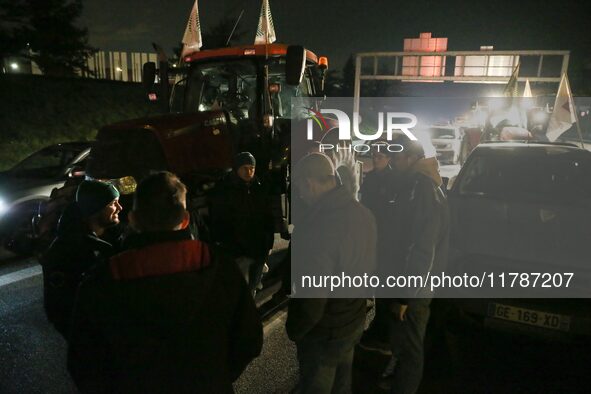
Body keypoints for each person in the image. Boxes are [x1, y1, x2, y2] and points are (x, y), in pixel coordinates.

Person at [67, 172, 263, 394]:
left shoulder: (104, 278)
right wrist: (215, 375)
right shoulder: (219, 267)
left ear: (133, 219)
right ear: (186, 220)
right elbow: (249, 340)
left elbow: (83, 362)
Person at [287, 152, 377, 394]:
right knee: (342, 385)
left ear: (309, 183)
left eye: (299, 189)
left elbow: (312, 297)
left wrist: (295, 329)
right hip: (352, 320)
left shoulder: (318, 228)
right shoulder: (363, 214)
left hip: (324, 333)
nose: (301, 196)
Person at [386, 138, 450, 394]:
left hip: (416, 288)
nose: (392, 162)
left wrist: (406, 294)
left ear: (412, 159)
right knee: (406, 342)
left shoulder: (423, 189)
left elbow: (422, 247)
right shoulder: (422, 184)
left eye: (397, 157)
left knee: (412, 347)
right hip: (416, 285)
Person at [41, 180, 122, 338]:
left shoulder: (113, 236)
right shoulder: (64, 251)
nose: (120, 208)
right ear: (95, 209)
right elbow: (59, 309)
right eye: (113, 203)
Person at [210, 152, 275, 295]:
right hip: (238, 247)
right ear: (236, 169)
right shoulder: (225, 190)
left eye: (252, 168)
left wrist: (268, 241)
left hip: (259, 246)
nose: (249, 172)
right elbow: (219, 219)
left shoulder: (259, 187)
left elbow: (268, 215)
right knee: (241, 286)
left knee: (253, 283)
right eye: (244, 168)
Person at [359, 146, 398, 353]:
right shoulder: (371, 178)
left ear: (388, 158)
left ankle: (382, 330)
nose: (375, 159)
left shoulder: (393, 180)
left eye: (379, 156)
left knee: (383, 279)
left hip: (386, 237)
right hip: (371, 233)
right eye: (373, 156)